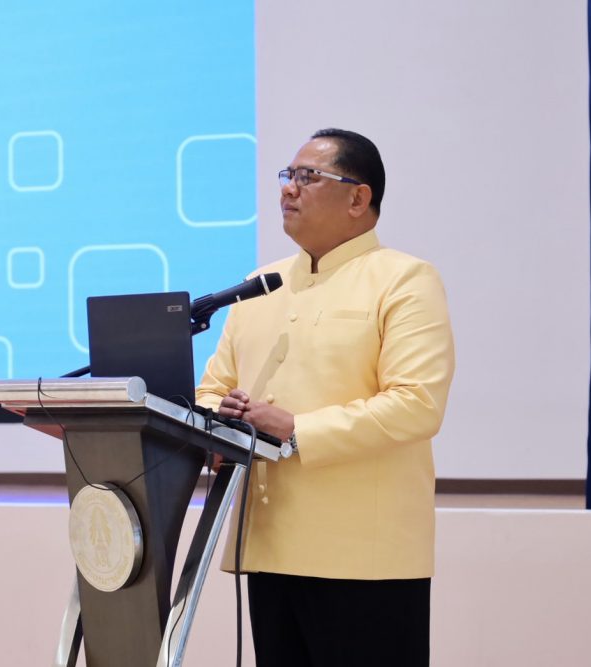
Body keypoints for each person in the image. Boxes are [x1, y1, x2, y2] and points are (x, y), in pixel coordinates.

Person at [195, 128, 455, 666]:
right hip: (269, 547)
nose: (288, 189)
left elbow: (416, 404)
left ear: (359, 198)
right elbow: (213, 389)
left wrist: (294, 428)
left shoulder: (404, 280)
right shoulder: (260, 284)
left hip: (366, 558)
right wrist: (218, 421)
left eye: (308, 177)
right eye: (287, 175)